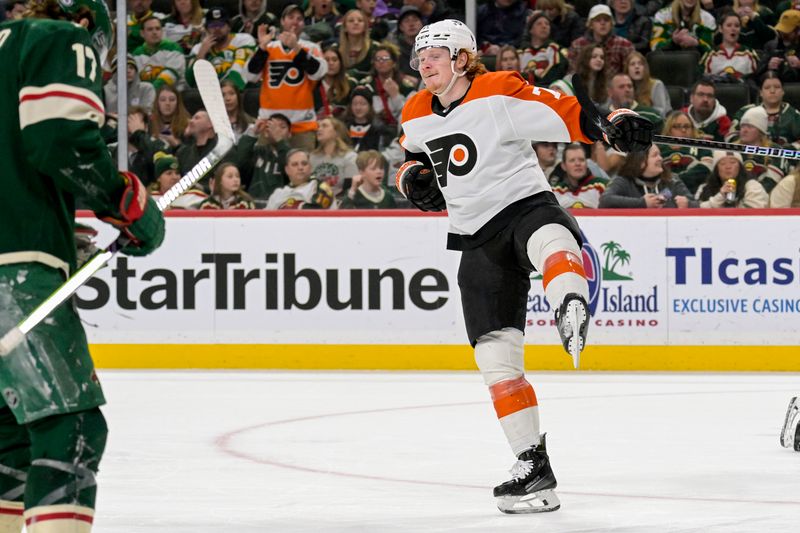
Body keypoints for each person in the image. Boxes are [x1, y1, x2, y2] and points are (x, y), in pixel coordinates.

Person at [397, 19, 653, 513]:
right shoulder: (414, 111)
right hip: (474, 237)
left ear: (462, 58)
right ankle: (532, 467)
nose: (424, 64)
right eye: (420, 56)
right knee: (495, 361)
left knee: (550, 238)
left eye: (435, 55)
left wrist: (611, 122)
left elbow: (565, 112)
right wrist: (413, 179)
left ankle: (570, 301)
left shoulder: (498, 90)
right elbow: (410, 156)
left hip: (522, 205)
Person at [0, 1, 165, 531]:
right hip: (13, 267)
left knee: (9, 434)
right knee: (67, 428)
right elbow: (58, 140)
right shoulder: (53, 38)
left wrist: (58, 230)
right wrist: (125, 202)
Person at [247, 3, 328, 151]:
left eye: (299, 18)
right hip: (270, 123)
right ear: (282, 21)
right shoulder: (269, 47)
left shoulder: (311, 47)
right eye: (291, 17)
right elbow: (250, 76)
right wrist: (261, 48)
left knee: (301, 169)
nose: (295, 21)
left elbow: (319, 72)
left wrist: (296, 48)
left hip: (302, 124)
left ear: (304, 24)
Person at [599, 144, 699, 207]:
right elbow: (605, 200)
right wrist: (642, 203)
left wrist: (688, 204)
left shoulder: (672, 181)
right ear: (640, 161)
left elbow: (695, 203)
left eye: (660, 155)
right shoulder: (624, 181)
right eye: (655, 155)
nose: (660, 159)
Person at [186, 7, 256, 90]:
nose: (217, 28)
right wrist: (201, 55)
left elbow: (238, 71)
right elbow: (190, 82)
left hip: (240, 93)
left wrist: (222, 91)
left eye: (221, 24)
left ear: (229, 27)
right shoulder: (198, 49)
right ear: (207, 29)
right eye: (212, 25)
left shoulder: (244, 40)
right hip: (210, 96)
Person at [725, 107, 789, 193]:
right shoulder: (730, 150)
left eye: (750, 127)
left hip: (763, 199)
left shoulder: (776, 151)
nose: (744, 130)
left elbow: (771, 183)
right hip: (732, 196)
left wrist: (750, 195)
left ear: (761, 131)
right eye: (743, 126)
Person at [729, 71, 800, 148]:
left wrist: (785, 149)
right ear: (760, 92)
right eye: (767, 88)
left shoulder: (794, 115)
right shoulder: (745, 111)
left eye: (777, 87)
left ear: (783, 91)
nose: (772, 91)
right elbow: (730, 137)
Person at [232, 114, 292, 204]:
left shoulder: (294, 155)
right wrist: (252, 134)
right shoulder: (257, 152)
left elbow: (290, 170)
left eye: (282, 127)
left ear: (290, 134)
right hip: (254, 204)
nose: (276, 130)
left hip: (282, 206)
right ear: (265, 132)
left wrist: (279, 141)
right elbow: (240, 164)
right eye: (271, 126)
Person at [568, 4, 634, 77]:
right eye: (598, 20)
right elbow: (571, 73)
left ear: (611, 24)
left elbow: (631, 73)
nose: (603, 23)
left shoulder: (624, 45)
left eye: (606, 20)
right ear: (591, 24)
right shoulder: (577, 45)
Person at [658, 110, 713, 195]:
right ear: (669, 129)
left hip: (695, 191)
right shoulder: (658, 148)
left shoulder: (701, 145)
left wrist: (678, 180)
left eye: (687, 126)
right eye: (677, 126)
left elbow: (707, 167)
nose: (683, 130)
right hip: (665, 192)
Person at [699, 12, 759, 84]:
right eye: (729, 25)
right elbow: (701, 80)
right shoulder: (710, 55)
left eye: (737, 26)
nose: (733, 29)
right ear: (721, 29)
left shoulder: (749, 53)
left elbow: (757, 79)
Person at [695, 150, 769, 207]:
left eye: (733, 162)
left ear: (740, 167)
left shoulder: (753, 186)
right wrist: (720, 196)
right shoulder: (704, 188)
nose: (728, 167)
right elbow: (696, 210)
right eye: (722, 163)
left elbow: (754, 214)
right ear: (716, 169)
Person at [266, 148, 335, 209]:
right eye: (295, 164)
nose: (300, 168)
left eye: (304, 164)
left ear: (310, 167)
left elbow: (315, 215)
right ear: (287, 170)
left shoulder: (320, 188)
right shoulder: (277, 194)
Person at [131, 14, 186, 90]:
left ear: (162, 31)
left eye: (157, 28)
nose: (154, 32)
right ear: (142, 33)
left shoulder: (173, 48)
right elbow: (135, 80)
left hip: (173, 95)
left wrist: (151, 92)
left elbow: (171, 74)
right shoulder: (137, 53)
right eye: (150, 29)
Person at [311, 117, 359, 198]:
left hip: (341, 202)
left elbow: (350, 187)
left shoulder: (350, 156)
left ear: (336, 132)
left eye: (324, 126)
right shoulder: (312, 157)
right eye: (319, 126)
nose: (319, 129)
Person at [551, 143, 609, 208]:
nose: (578, 164)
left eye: (581, 160)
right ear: (563, 166)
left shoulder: (604, 186)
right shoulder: (554, 192)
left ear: (587, 163)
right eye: (572, 160)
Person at [519, 12, 568, 87]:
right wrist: (534, 74)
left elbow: (556, 73)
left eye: (547, 24)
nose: (544, 26)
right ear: (530, 30)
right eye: (539, 24)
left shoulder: (555, 49)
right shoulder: (521, 52)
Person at [651, 0, 717, 53]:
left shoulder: (707, 18)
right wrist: (673, 41)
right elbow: (654, 47)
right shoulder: (662, 15)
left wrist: (696, 43)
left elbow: (710, 51)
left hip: (696, 62)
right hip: (667, 61)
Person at [344, 85, 394, 151]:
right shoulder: (344, 128)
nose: (358, 108)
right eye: (355, 104)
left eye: (363, 104)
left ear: (370, 106)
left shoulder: (379, 129)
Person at [176, 110, 218, 188]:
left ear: (211, 123)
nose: (191, 121)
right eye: (192, 118)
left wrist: (203, 188)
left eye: (197, 118)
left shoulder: (221, 150)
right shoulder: (183, 152)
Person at [315, 46, 358, 120]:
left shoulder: (350, 84)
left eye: (334, 60)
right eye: (326, 60)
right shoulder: (313, 86)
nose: (331, 63)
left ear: (340, 63)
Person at [624, 50, 671, 117]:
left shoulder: (656, 85)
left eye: (640, 64)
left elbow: (661, 112)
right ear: (627, 69)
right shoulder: (624, 87)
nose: (637, 67)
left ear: (645, 68)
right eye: (632, 64)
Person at [150, 84, 190, 150]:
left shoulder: (187, 125)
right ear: (157, 103)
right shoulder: (149, 123)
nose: (167, 103)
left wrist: (176, 143)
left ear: (178, 103)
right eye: (163, 100)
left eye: (172, 100)